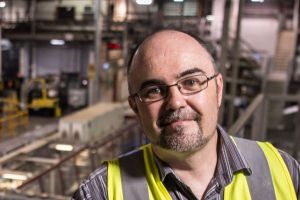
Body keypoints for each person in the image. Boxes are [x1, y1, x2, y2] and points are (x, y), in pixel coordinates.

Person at [73, 29, 300, 200]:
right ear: (135, 108)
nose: (175, 102)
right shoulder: (100, 192)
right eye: (154, 90)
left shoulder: (284, 171)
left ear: (218, 89)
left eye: (191, 82)